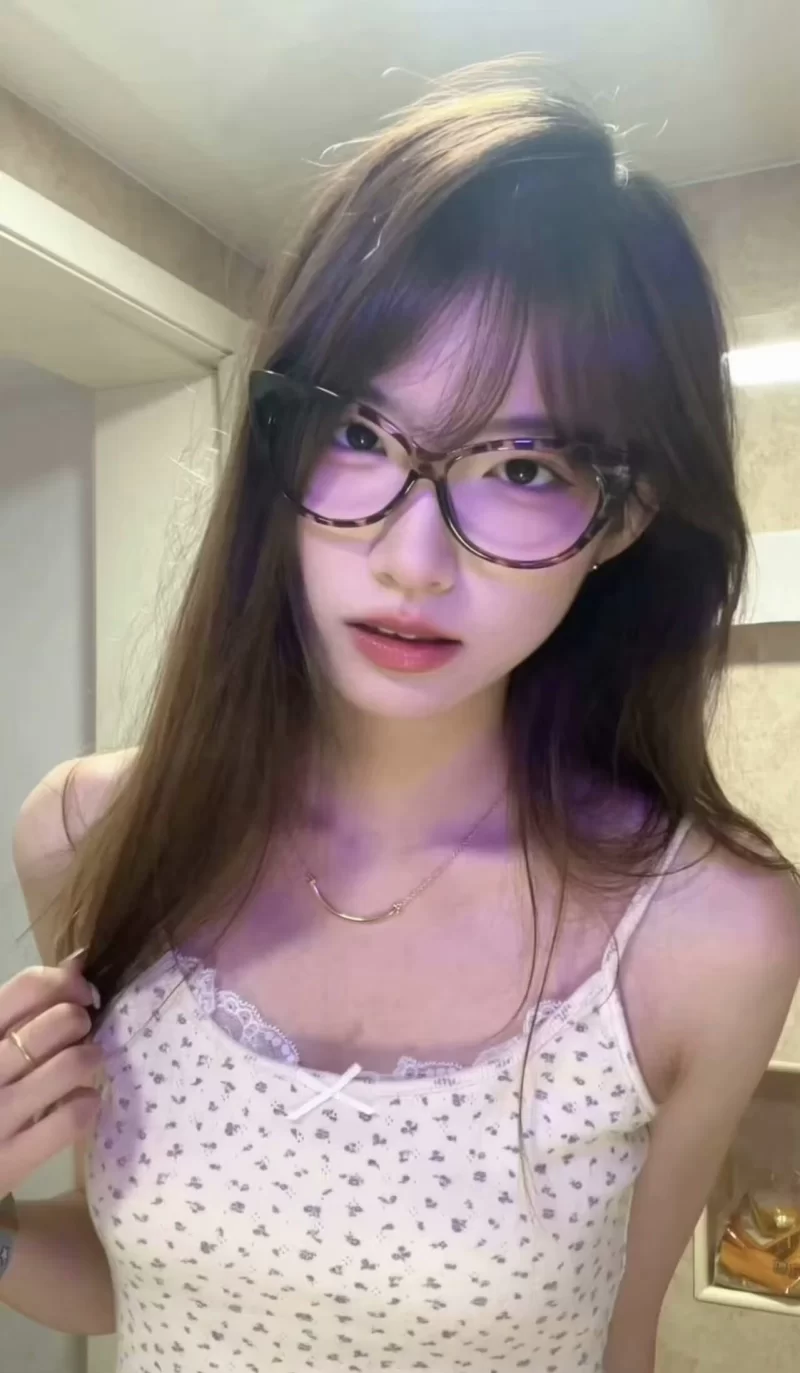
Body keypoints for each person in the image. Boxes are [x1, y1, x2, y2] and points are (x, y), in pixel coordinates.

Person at [1, 68, 799, 1373]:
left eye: (523, 466)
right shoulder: (95, 834)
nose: (412, 562)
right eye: (362, 434)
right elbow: (126, 1277)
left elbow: (621, 1344)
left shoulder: (709, 934)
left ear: (625, 518)